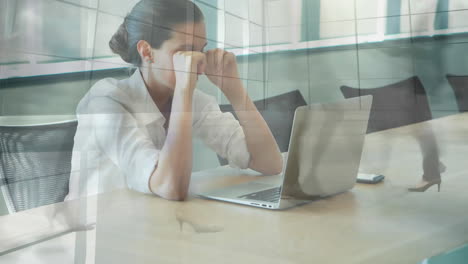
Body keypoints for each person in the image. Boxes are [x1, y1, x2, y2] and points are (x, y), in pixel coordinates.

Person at [66, 0, 283, 201]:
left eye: (201, 50)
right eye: (186, 52)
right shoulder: (105, 103)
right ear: (147, 51)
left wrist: (234, 89)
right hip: (98, 231)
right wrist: (183, 90)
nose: (199, 62)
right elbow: (170, 186)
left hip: (153, 223)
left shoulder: (194, 101)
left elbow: (270, 163)